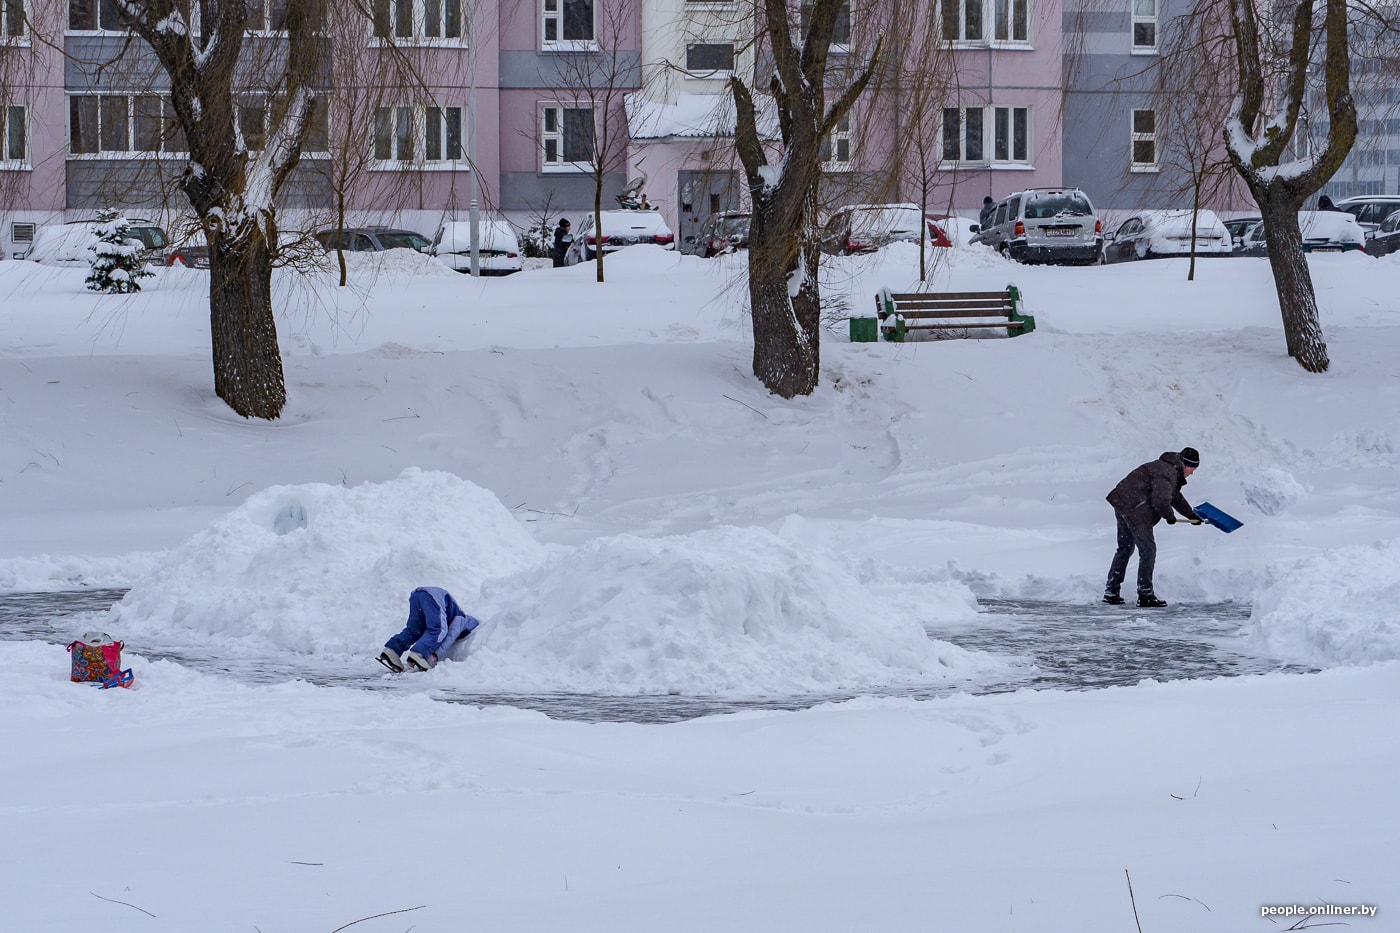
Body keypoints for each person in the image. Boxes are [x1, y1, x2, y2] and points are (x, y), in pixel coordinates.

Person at [1103, 447, 1203, 608]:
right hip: (1135, 508)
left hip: (1122, 502)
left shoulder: (1168, 468)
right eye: (1193, 469)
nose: (1192, 474)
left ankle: (1111, 591)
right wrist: (1169, 516)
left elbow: (1175, 497)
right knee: (1148, 550)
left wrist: (1191, 516)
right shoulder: (1168, 472)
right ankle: (1145, 594)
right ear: (1187, 465)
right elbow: (1161, 499)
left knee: (1125, 548)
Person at [378, 586, 481, 672]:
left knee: (415, 630)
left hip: (417, 595)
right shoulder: (461, 619)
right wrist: (435, 655)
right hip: (432, 597)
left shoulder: (451, 617)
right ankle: (419, 654)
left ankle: (392, 650)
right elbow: (449, 637)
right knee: (438, 630)